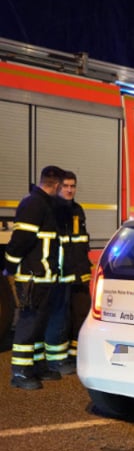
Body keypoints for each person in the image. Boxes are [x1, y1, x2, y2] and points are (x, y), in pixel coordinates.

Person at [4, 165, 65, 390]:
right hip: (33, 278)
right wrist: (9, 264)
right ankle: (20, 372)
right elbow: (21, 240)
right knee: (29, 324)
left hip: (43, 277)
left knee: (39, 323)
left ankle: (36, 365)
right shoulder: (34, 204)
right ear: (56, 185)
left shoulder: (45, 204)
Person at [44, 170, 91, 375]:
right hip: (61, 275)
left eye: (73, 186)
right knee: (59, 317)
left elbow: (80, 243)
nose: (70, 189)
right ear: (58, 187)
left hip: (79, 273)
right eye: (66, 186)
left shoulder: (77, 210)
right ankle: (56, 360)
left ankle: (75, 355)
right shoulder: (53, 210)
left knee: (80, 314)